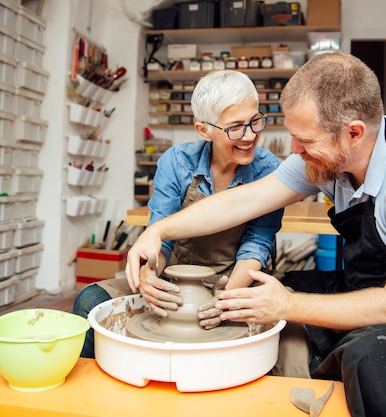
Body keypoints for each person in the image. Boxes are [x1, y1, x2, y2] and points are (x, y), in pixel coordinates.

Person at [125, 52, 386, 417]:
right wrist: (159, 230)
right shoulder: (329, 158)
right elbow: (245, 201)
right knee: (265, 294)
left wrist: (287, 306)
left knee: (367, 356)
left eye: (304, 141)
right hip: (374, 284)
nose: (294, 150)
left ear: (353, 133)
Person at [72, 70, 283, 358]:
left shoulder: (269, 170)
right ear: (203, 130)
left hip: (236, 281)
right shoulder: (177, 162)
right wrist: (149, 277)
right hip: (174, 279)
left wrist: (224, 302)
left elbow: (257, 245)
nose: (250, 136)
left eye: (255, 121)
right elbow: (160, 238)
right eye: (236, 127)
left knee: (290, 341)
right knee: (90, 301)